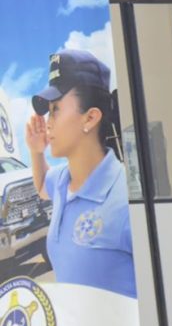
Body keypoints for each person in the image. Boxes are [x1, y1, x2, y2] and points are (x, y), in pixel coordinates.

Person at [26, 48, 136, 298]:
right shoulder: (62, 180)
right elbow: (42, 186)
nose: (48, 122)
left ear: (90, 118)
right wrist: (36, 152)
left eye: (56, 109)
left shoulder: (125, 199)